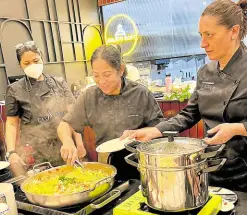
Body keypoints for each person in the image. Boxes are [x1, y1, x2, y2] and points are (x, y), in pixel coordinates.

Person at [121, 0, 247, 191]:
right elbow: (189, 114)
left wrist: (237, 128)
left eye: (209, 35)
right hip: (209, 166)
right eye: (201, 35)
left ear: (234, 31)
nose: (203, 43)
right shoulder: (205, 72)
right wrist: (155, 131)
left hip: (244, 171)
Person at [57, 45, 163, 179]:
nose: (101, 81)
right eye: (96, 75)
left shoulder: (140, 93)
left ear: (121, 70)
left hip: (140, 165)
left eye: (107, 75)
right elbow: (65, 124)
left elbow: (159, 128)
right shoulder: (89, 96)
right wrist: (67, 141)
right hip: (107, 167)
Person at [5, 41, 86, 176]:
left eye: (36, 60)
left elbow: (74, 115)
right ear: (20, 65)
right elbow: (12, 124)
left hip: (66, 145)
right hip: (35, 151)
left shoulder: (59, 83)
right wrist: (12, 152)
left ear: (42, 59)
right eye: (27, 63)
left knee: (73, 180)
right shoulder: (14, 90)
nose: (32, 65)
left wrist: (79, 143)